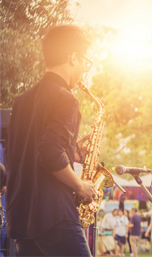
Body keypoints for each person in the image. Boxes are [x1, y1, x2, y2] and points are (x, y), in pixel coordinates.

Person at [5, 24, 96, 256]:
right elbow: (49, 153)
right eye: (86, 60)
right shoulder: (66, 99)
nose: (86, 67)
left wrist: (72, 152)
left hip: (22, 219)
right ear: (73, 57)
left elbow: (26, 152)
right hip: (54, 217)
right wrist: (80, 185)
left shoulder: (22, 101)